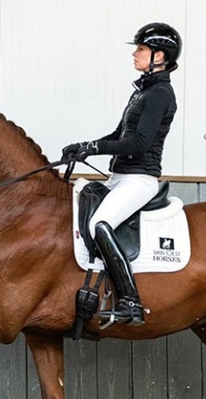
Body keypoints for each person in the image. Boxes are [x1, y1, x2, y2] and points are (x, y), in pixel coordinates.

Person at [62, 22, 182, 326]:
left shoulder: (160, 94)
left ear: (159, 55)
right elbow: (119, 133)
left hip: (140, 180)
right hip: (120, 177)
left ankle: (131, 301)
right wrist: (83, 146)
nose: (135, 54)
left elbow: (140, 143)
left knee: (100, 224)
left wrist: (93, 146)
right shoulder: (142, 92)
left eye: (141, 49)